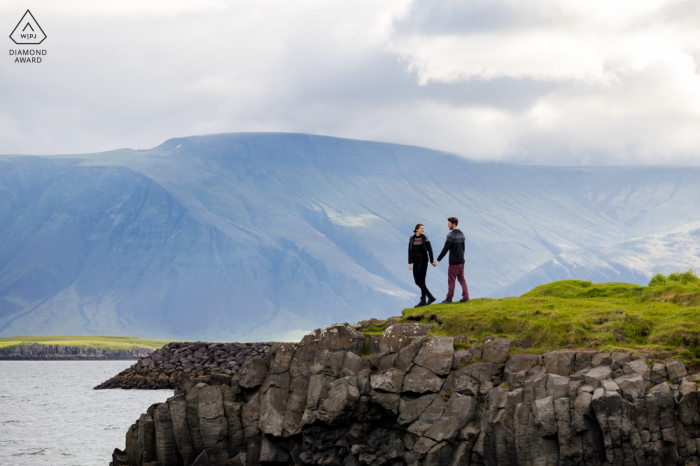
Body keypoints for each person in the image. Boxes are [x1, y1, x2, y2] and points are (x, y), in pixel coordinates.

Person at [432, 217, 469, 303]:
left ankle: (449, 299)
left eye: (449, 223)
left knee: (451, 280)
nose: (447, 225)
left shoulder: (451, 235)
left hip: (454, 262)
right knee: (462, 279)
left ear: (454, 224)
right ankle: (466, 296)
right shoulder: (462, 234)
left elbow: (446, 248)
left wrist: (437, 260)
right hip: (461, 261)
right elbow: (463, 248)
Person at [408, 224, 436, 307]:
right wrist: (409, 263)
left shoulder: (425, 238)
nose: (423, 230)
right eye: (421, 228)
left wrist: (431, 260)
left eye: (423, 228)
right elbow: (409, 251)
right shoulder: (411, 239)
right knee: (417, 281)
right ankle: (430, 297)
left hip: (423, 261)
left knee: (422, 281)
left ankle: (423, 300)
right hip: (415, 262)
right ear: (416, 229)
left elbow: (430, 250)